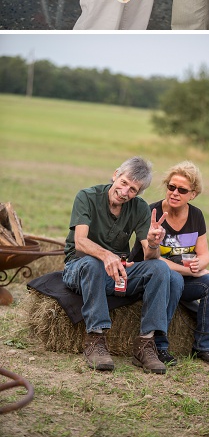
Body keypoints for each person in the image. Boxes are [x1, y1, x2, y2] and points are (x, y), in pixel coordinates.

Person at [61, 157, 180, 374]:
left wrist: (154, 243)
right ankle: (96, 339)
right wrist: (107, 255)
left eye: (133, 189)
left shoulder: (140, 209)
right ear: (116, 175)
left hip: (116, 272)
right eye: (124, 183)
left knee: (160, 269)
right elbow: (80, 241)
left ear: (139, 192)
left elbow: (150, 256)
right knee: (92, 263)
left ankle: (145, 344)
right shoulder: (86, 196)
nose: (125, 192)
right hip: (80, 267)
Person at [130, 161, 209, 365]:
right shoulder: (152, 213)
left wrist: (201, 265)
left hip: (183, 276)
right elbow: (153, 259)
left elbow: (204, 254)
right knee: (173, 278)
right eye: (171, 187)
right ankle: (160, 346)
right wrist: (191, 272)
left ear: (193, 194)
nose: (174, 193)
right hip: (150, 277)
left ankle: (202, 346)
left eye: (182, 190)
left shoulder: (196, 215)